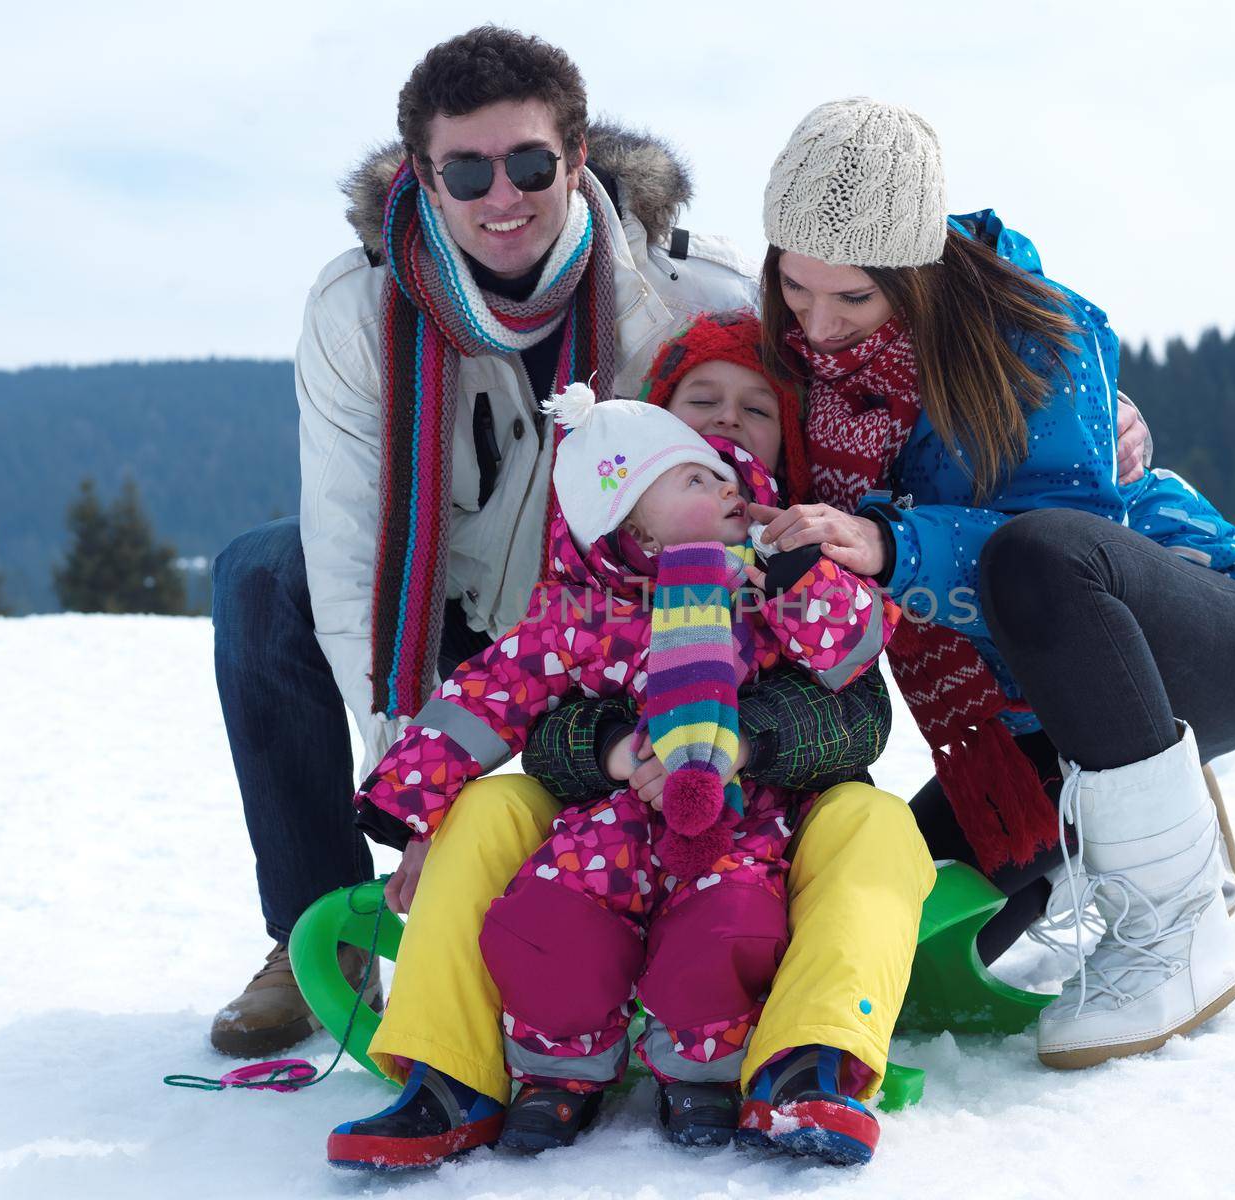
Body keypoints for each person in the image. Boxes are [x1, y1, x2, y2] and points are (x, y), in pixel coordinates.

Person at [206, 26, 763, 1058]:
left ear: (577, 157)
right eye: (464, 169)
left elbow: (850, 365)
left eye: (527, 163)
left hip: (620, 632)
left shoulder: (690, 292)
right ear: (423, 173)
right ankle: (318, 932)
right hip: (452, 628)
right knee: (259, 573)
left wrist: (1084, 415)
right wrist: (417, 785)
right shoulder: (358, 306)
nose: (499, 195)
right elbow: (346, 548)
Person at [746, 98, 1235, 1071]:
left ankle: (1174, 931)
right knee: (900, 956)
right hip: (1028, 724)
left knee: (1035, 555)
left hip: (1197, 645)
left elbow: (1066, 546)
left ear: (914, 279)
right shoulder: (798, 378)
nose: (818, 325)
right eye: (796, 289)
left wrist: (887, 542)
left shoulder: (1031, 338)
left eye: (854, 300)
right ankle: (1132, 811)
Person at [327, 311, 929, 1170]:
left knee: (876, 826)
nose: (727, 419)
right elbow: (505, 696)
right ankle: (448, 1072)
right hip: (605, 826)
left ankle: (809, 1061)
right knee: (491, 806)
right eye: (702, 399)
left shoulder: (784, 563)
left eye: (756, 409)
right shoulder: (582, 587)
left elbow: (860, 708)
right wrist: (603, 752)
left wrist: (745, 737)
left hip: (771, 817)